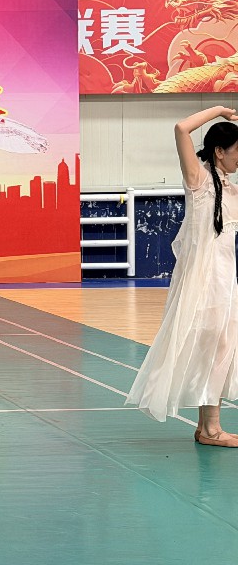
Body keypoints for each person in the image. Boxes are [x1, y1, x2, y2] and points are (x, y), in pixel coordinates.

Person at [126, 106, 238, 445]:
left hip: (225, 279)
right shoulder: (198, 179)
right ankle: (211, 429)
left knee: (219, 346)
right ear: (219, 151)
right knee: (213, 346)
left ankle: (207, 427)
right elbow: (181, 129)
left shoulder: (231, 189)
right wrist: (220, 110)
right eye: (236, 151)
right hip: (204, 279)